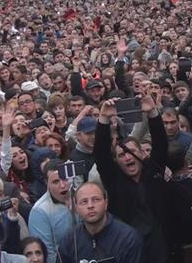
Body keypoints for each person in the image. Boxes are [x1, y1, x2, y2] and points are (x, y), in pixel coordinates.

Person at [94, 93, 170, 263]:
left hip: (160, 249)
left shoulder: (153, 172)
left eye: (132, 152)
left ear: (142, 154)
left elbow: (161, 144)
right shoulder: (114, 179)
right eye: (122, 155)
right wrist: (104, 118)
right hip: (128, 250)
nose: (128, 158)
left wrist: (152, 113)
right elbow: (101, 154)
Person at [59, 182, 144, 263]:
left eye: (96, 200)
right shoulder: (69, 241)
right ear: (76, 208)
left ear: (106, 203)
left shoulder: (128, 239)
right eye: (84, 202)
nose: (90, 206)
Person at [28, 159, 73, 263]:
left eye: (65, 179)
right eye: (56, 181)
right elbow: (47, 254)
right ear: (46, 183)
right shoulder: (39, 211)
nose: (62, 185)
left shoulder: (81, 198)